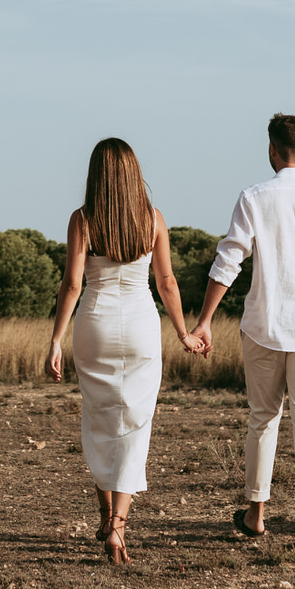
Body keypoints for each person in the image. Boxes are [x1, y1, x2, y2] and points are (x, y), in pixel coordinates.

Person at [189, 113, 295, 552]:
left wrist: (204, 320)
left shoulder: (254, 197)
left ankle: (256, 515)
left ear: (271, 150)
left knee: (263, 418)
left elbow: (228, 262)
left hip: (264, 326)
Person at [46, 138, 207, 565]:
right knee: (135, 423)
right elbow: (167, 282)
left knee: (99, 417)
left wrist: (56, 339)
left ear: (95, 174)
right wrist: (184, 333)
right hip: (140, 326)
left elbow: (72, 284)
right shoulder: (153, 218)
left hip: (94, 324)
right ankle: (118, 526)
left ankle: (104, 516)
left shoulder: (82, 220)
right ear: (134, 173)